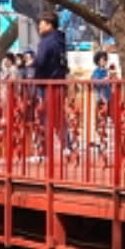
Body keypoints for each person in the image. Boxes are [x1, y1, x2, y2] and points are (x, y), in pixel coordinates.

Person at [30, 12, 70, 154]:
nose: (39, 27)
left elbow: (41, 61)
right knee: (58, 115)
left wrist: (32, 64)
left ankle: (43, 149)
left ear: (49, 25)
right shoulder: (61, 40)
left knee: (43, 115)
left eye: (41, 24)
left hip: (45, 83)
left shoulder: (46, 42)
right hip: (59, 82)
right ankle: (67, 146)